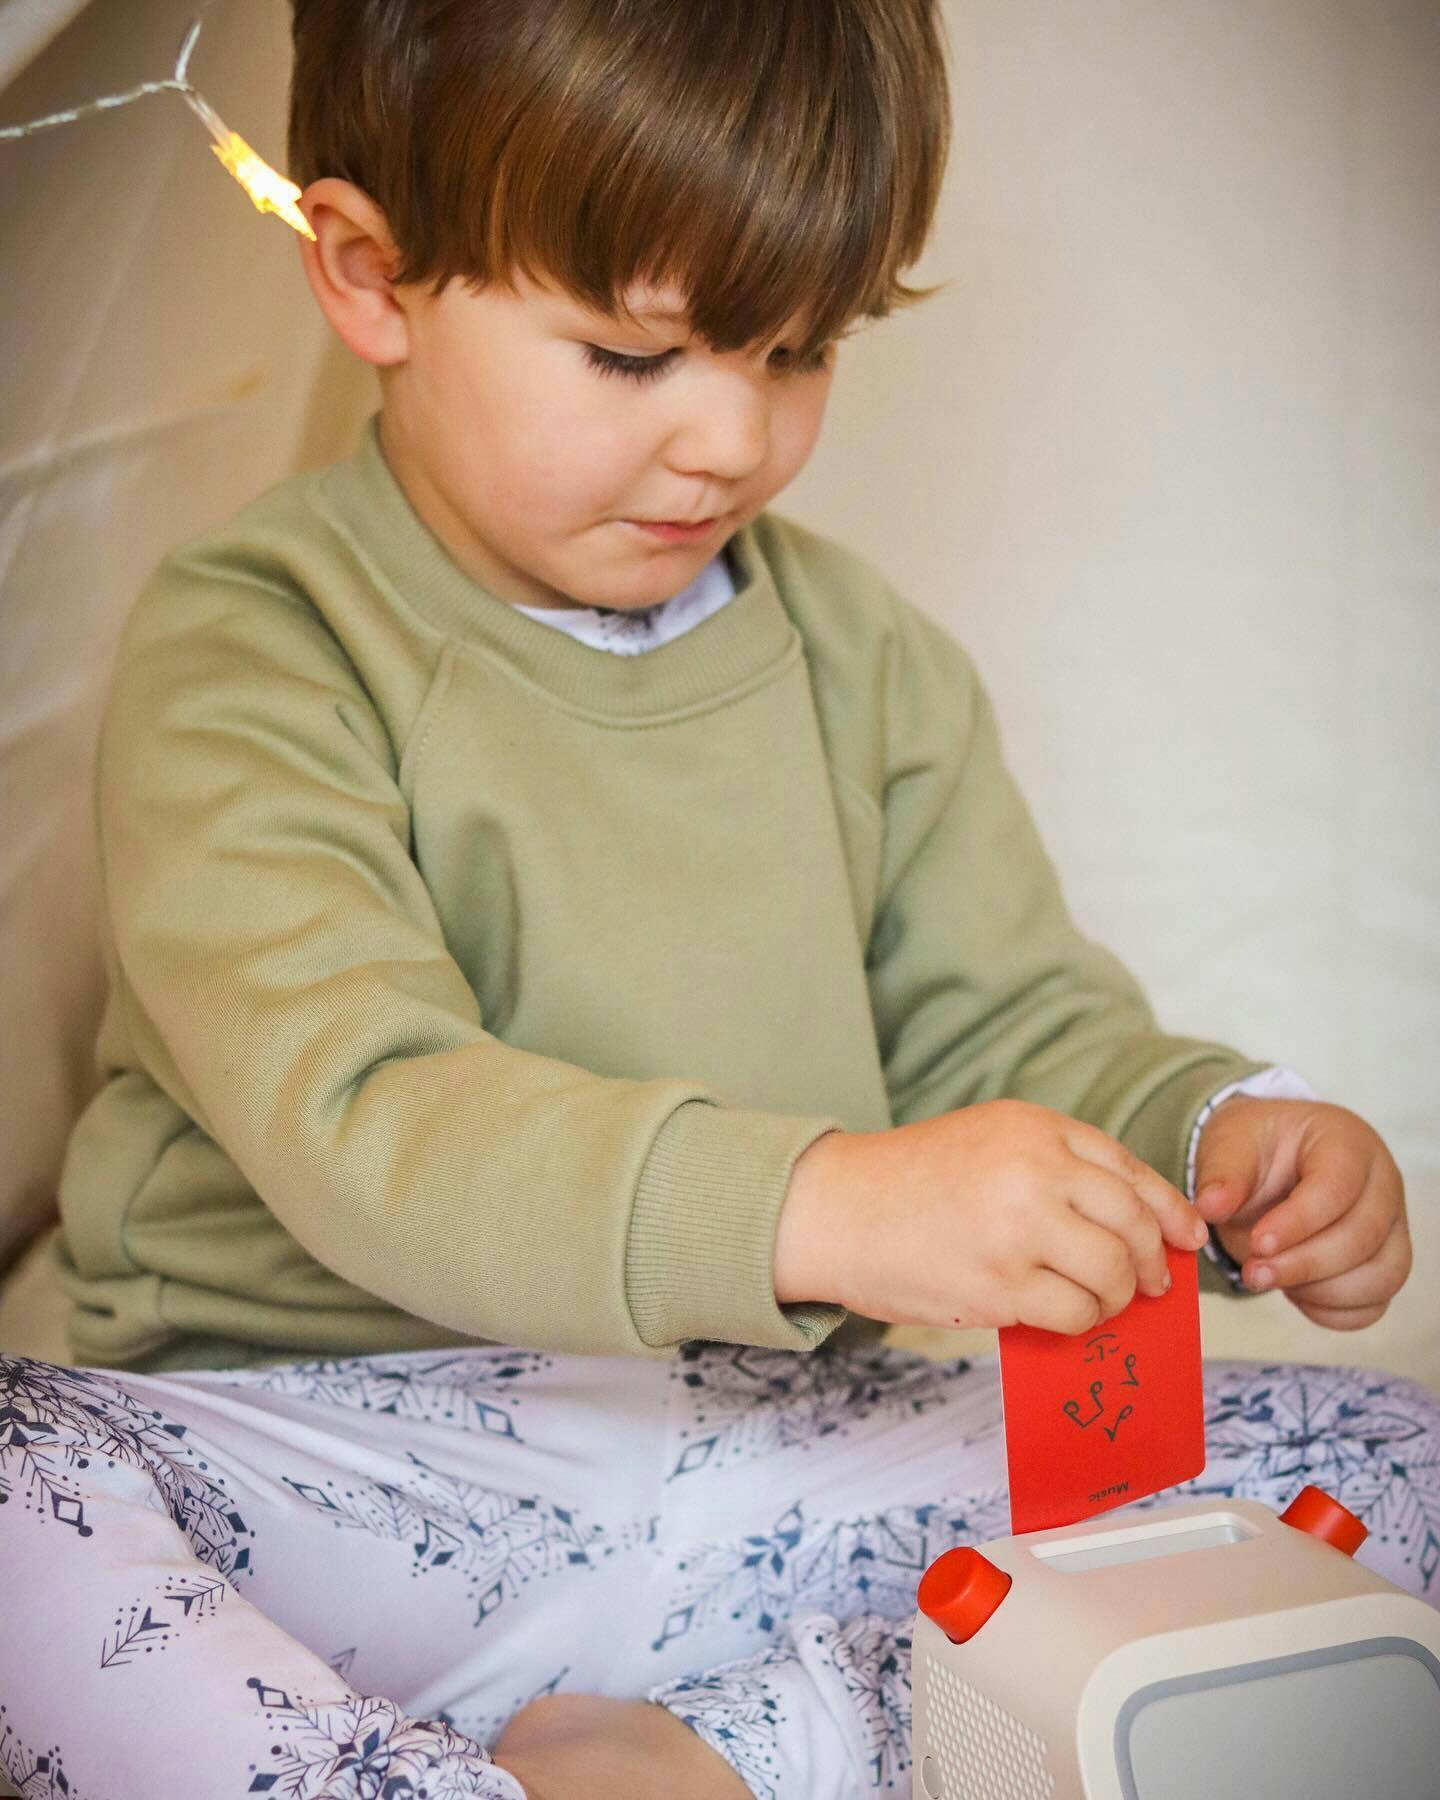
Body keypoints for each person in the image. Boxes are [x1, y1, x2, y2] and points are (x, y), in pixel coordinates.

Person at [0, 1, 1430, 1795]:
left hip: (776, 1454)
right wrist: (824, 1204)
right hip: (354, 1464)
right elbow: (357, 1114)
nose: (729, 443)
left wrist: (1213, 1133)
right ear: (371, 278)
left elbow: (1010, 1023)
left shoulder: (867, 666)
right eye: (631, 355)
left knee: (1392, 1476)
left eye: (795, 348)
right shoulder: (256, 643)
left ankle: (744, 1745)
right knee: (12, 1496)